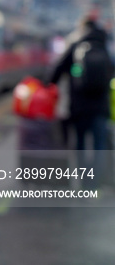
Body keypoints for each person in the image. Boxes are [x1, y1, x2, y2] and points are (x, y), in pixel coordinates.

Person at [49, 15, 113, 185]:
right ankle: (96, 183)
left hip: (79, 107)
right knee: (100, 146)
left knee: (80, 145)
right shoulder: (106, 46)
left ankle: (84, 182)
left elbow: (57, 69)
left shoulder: (76, 45)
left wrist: (47, 84)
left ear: (82, 28)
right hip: (100, 107)